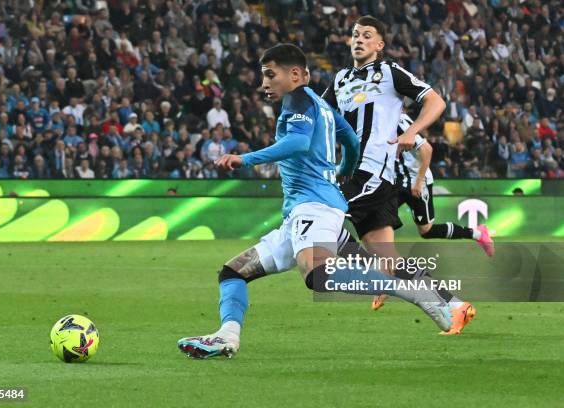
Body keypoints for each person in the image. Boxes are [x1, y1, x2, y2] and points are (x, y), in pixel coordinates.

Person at [177, 44, 453, 359]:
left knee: (317, 275)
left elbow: (298, 142)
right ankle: (227, 336)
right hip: (306, 211)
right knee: (233, 272)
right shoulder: (320, 105)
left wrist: (245, 158)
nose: (264, 83)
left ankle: (411, 291)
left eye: (270, 75)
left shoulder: (296, 100)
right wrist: (344, 172)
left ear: (294, 74)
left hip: (314, 207)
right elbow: (349, 137)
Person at [320, 16, 477, 332]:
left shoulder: (389, 73)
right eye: (355, 35)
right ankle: (456, 305)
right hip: (355, 175)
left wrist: (413, 131)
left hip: (373, 175)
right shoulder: (339, 80)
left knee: (321, 214)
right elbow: (319, 120)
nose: (359, 39)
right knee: (388, 262)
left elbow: (435, 101)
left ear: (379, 45)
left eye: (367, 35)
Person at [395, 113, 494, 251]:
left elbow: (427, 149)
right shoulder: (377, 122)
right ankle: (379, 261)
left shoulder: (398, 120)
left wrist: (418, 181)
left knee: (426, 231)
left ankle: (478, 234)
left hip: (415, 181)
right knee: (379, 219)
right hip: (394, 182)